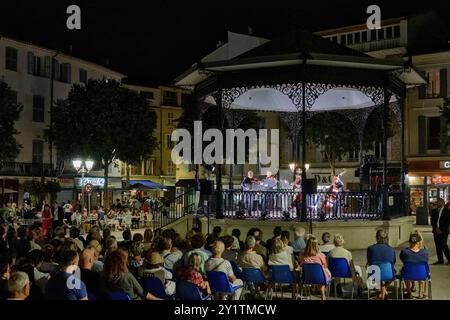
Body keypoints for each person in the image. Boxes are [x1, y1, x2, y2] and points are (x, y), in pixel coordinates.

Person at [367, 230, 396, 300]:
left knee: (374, 268)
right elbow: (393, 262)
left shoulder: (370, 248)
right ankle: (384, 288)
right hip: (388, 274)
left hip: (374, 275)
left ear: (377, 238)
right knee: (392, 271)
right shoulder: (391, 249)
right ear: (386, 238)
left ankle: (382, 289)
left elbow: (369, 261)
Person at [400, 231, 429, 299]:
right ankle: (420, 293)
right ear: (419, 242)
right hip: (422, 275)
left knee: (406, 270)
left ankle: (409, 293)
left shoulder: (405, 252)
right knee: (421, 269)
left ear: (409, 242)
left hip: (408, 275)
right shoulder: (424, 252)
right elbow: (426, 260)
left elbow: (402, 259)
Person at [430, 198, 450, 265]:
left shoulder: (447, 211)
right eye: (437, 202)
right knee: (438, 246)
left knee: (444, 245)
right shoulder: (434, 211)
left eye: (439, 202)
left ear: (442, 203)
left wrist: (441, 229)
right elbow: (432, 221)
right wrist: (436, 228)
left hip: (444, 231)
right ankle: (440, 260)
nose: (437, 203)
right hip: (436, 231)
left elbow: (447, 222)